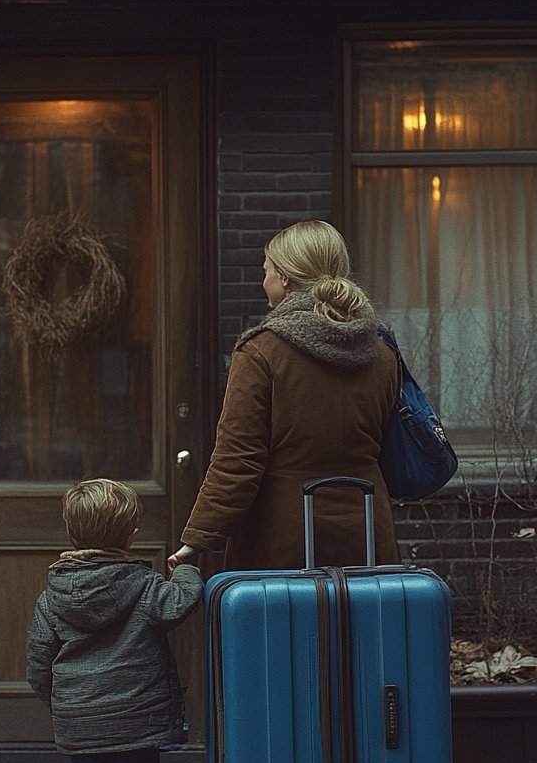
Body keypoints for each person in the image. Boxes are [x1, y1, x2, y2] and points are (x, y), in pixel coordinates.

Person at [168, 219, 400, 573]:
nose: (265, 283)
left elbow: (237, 460)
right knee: (365, 628)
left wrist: (197, 540)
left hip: (283, 539)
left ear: (286, 279)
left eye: (267, 272)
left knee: (291, 628)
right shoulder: (381, 352)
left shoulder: (262, 351)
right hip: (367, 531)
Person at [26, 478, 203, 763]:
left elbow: (38, 664)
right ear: (129, 536)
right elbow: (180, 601)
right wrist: (184, 565)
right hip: (136, 723)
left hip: (81, 721)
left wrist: (64, 701)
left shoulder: (52, 597)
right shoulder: (144, 587)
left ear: (70, 536)